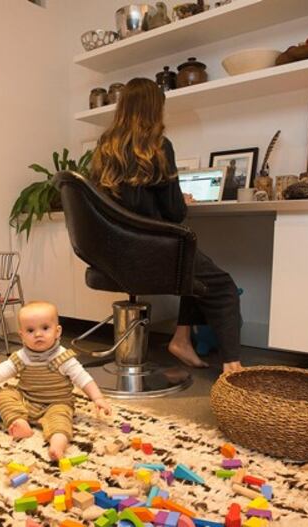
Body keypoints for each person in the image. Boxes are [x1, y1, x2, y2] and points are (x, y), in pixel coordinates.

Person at [90, 77, 243, 374]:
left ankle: (181, 338)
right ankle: (233, 367)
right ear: (155, 109)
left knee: (193, 270)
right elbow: (174, 213)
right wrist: (180, 198)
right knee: (222, 285)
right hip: (151, 251)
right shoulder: (158, 145)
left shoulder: (105, 148)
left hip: (111, 254)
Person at [0, 301, 112, 460]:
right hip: (27, 401)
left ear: (57, 331)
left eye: (45, 328)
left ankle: (57, 444)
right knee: (3, 394)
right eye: (30, 330)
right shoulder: (21, 357)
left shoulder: (63, 357)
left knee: (60, 421)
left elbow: (83, 378)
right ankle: (19, 421)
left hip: (56, 404)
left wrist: (97, 398)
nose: (38, 334)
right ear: (22, 335)